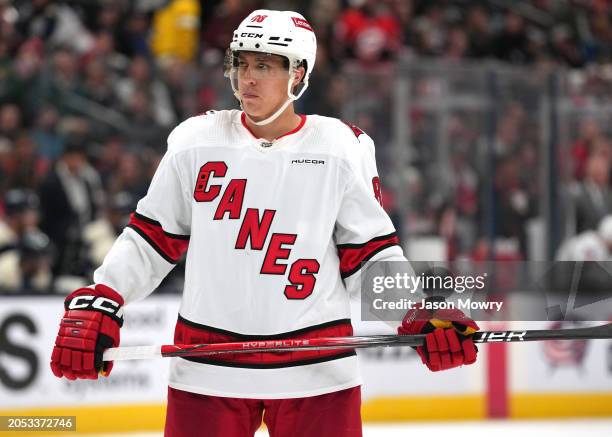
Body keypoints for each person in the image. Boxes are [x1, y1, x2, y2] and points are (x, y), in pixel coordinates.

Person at [50, 10, 479, 437]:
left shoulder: (341, 149)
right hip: (207, 367)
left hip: (318, 369)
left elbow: (369, 258)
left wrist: (416, 314)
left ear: (298, 74)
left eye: (264, 65)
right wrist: (103, 296)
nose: (247, 77)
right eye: (241, 63)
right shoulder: (194, 142)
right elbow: (151, 238)